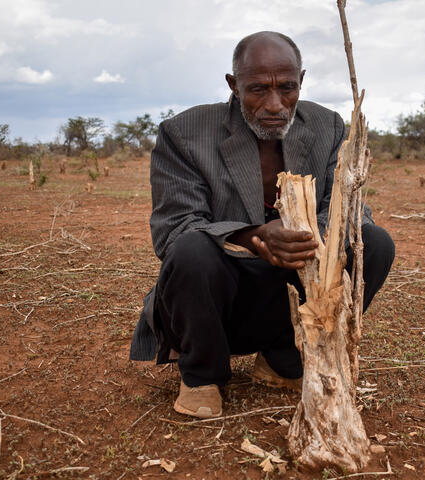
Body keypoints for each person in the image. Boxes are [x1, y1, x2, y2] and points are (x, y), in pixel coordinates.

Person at [130, 31, 394, 418]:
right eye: (257, 90)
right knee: (190, 250)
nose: (274, 104)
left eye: (287, 88)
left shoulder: (328, 126)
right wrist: (253, 237)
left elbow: (350, 209)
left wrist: (307, 236)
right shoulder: (184, 133)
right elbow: (174, 230)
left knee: (373, 241)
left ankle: (283, 359)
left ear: (301, 80)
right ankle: (202, 375)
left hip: (291, 286)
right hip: (217, 296)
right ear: (233, 86)